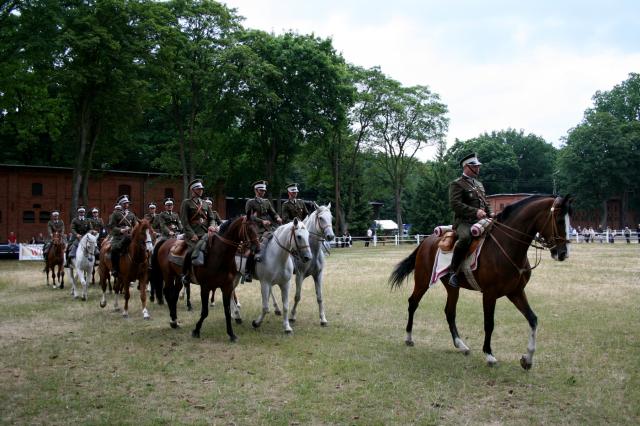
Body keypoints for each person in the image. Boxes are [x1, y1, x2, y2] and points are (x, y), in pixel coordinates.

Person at [447, 153, 493, 287]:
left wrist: (491, 213)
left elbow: (485, 202)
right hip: (464, 222)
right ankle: (453, 272)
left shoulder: (478, 184)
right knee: (465, 238)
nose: (478, 169)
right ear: (467, 167)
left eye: (478, 166)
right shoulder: (457, 184)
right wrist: (475, 211)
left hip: (482, 221)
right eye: (476, 166)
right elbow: (455, 204)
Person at [180, 179, 222, 284]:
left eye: (201, 189)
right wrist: (192, 234)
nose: (201, 191)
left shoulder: (205, 204)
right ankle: (185, 274)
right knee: (191, 251)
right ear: (192, 190)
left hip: (206, 234)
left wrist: (212, 226)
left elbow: (212, 218)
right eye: (198, 189)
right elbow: (184, 221)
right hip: (193, 235)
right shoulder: (186, 203)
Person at [244, 180, 282, 282]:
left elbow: (273, 213)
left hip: (269, 228)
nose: (263, 192)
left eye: (264, 190)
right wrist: (262, 221)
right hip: (255, 229)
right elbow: (249, 217)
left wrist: (277, 217)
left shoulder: (266, 202)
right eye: (261, 190)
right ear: (256, 190)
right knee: (253, 248)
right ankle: (248, 272)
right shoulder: (250, 202)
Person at [108, 195, 139, 278]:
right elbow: (111, 227)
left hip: (130, 237)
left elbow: (136, 225)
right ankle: (115, 268)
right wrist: (121, 230)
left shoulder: (131, 215)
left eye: (127, 203)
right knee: (114, 249)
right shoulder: (115, 214)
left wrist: (134, 230)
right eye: (125, 203)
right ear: (121, 204)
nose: (126, 205)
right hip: (118, 237)